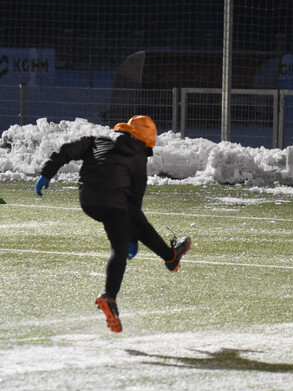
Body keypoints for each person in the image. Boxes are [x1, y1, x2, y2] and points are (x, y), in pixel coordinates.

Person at [35, 115, 192, 332]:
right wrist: (132, 239)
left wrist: (47, 172)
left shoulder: (99, 140)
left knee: (124, 226)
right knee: (119, 247)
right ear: (145, 140)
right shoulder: (138, 158)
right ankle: (112, 295)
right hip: (116, 204)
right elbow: (134, 203)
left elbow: (67, 150)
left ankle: (170, 257)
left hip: (88, 200)